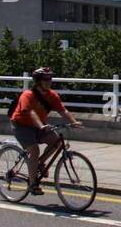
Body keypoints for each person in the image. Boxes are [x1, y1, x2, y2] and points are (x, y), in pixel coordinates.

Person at [10, 67, 82, 195]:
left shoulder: (52, 95)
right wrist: (41, 126)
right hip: (22, 125)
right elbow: (30, 112)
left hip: (39, 125)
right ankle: (32, 184)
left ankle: (39, 163)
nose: (49, 81)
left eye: (50, 79)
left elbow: (62, 110)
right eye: (45, 79)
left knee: (57, 142)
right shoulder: (28, 95)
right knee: (34, 150)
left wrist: (73, 122)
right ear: (38, 81)